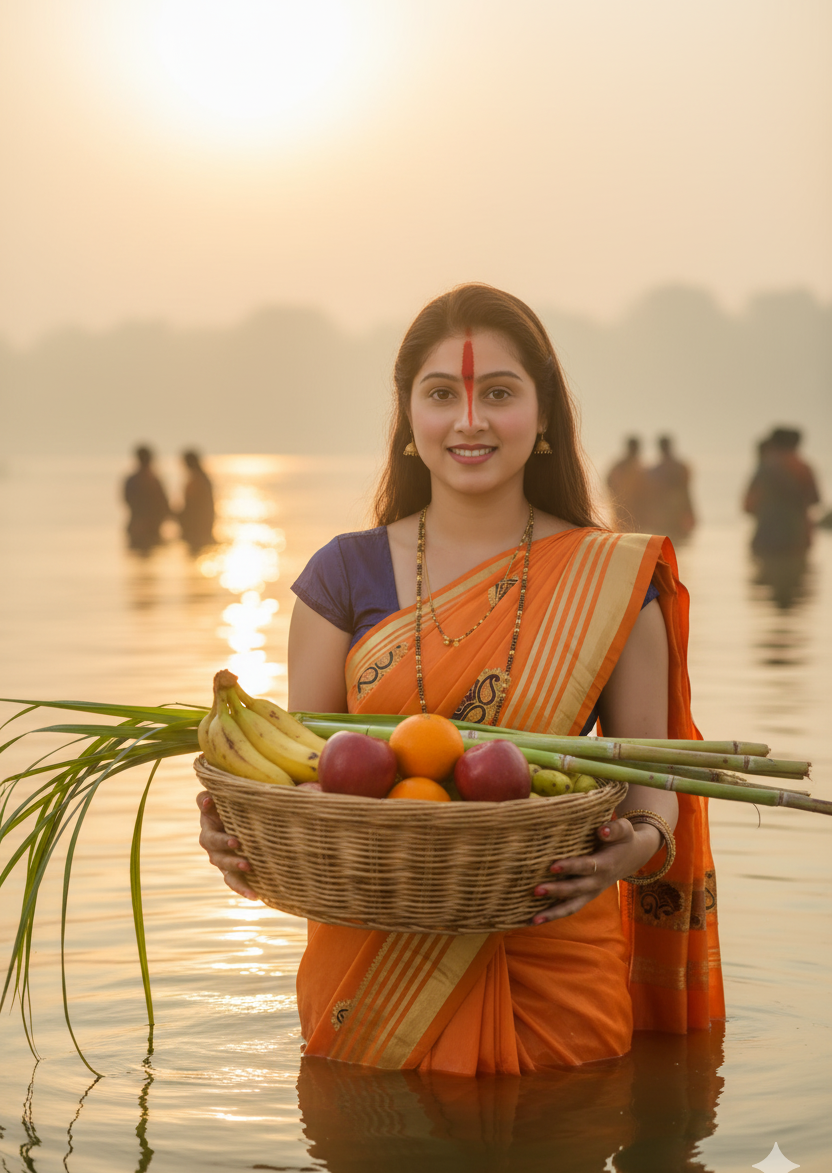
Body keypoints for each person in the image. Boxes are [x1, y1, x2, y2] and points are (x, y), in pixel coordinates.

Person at [198, 284, 724, 1075]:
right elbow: (304, 775)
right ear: (409, 416)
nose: (469, 420)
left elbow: (653, 791)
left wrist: (634, 846)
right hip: (369, 978)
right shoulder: (341, 578)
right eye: (441, 393)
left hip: (556, 962)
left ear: (544, 416)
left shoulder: (613, 581)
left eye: (500, 394)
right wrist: (241, 838)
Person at [743, 427, 820, 555]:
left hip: (766, 536)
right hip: (798, 537)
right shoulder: (803, 467)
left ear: (774, 443)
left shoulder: (765, 467)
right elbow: (815, 499)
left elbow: (748, 507)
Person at [643, 435, 696, 542]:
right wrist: (691, 512)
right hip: (675, 514)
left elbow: (649, 497)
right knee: (677, 548)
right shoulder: (680, 468)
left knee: (665, 549)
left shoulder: (654, 471)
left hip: (663, 516)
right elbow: (686, 493)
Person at [123, 445, 170, 551]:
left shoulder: (132, 480)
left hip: (138, 526)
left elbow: (126, 500)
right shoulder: (154, 481)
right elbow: (164, 504)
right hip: (148, 527)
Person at [606, 437, 649, 531]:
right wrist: (616, 499)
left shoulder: (639, 466)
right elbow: (609, 482)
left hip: (637, 508)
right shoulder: (621, 466)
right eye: (634, 448)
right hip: (624, 508)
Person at [177, 450, 215, 553]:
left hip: (197, 527)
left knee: (196, 552)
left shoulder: (198, 480)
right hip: (201, 526)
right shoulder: (202, 479)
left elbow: (193, 506)